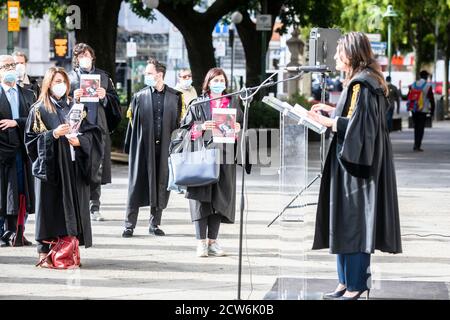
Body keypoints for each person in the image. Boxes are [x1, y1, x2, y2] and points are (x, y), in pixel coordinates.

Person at [307, 32, 402, 300]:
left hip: (359, 163)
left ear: (351, 54)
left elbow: (363, 127)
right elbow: (354, 116)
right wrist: (331, 111)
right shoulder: (362, 81)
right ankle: (345, 281)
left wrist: (330, 122)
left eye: (339, 52)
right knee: (343, 219)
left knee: (356, 223)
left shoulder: (364, 83)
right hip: (350, 160)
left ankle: (357, 283)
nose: (336, 57)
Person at [24, 67, 103, 267]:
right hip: (52, 169)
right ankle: (44, 252)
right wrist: (54, 135)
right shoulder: (39, 109)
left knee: (72, 209)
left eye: (63, 81)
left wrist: (81, 142)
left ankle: (69, 249)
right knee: (50, 208)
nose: (60, 85)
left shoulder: (75, 107)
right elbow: (31, 142)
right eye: (56, 81)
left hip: (73, 165)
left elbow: (91, 133)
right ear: (48, 84)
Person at [170, 68, 244, 257]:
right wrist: (201, 127)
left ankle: (213, 241)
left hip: (225, 156)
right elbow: (183, 130)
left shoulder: (233, 101)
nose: (219, 83)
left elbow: (243, 126)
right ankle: (201, 242)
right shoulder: (198, 104)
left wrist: (238, 128)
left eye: (222, 80)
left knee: (220, 199)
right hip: (201, 156)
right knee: (200, 199)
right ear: (208, 83)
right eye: (215, 80)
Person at [122, 59, 182, 238]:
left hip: (165, 148)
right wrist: (130, 149)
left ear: (160, 75)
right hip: (143, 147)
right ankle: (129, 225)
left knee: (161, 185)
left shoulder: (175, 97)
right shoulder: (139, 97)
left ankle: (155, 224)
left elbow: (179, 124)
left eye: (149, 73)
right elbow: (132, 126)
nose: (146, 76)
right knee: (136, 186)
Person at [69, 43, 121, 221]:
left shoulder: (104, 77)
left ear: (92, 56)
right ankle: (78, 204)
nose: (84, 58)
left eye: (86, 55)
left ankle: (94, 206)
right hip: (78, 127)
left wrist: (105, 96)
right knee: (78, 164)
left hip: (98, 127)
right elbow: (58, 101)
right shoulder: (70, 78)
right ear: (76, 59)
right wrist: (71, 98)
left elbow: (115, 102)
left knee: (96, 165)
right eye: (80, 56)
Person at [0, 55, 36, 248]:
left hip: (22, 151)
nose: (11, 69)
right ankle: (2, 232)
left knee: (21, 192)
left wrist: (17, 122)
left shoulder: (27, 94)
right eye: (6, 66)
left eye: (13, 65)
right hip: (2, 152)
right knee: (3, 193)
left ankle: (17, 232)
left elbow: (34, 120)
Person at [407, 70, 435, 152]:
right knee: (421, 128)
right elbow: (431, 99)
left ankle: (415, 144)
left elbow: (409, 96)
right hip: (423, 109)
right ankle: (418, 145)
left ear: (419, 76)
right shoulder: (428, 86)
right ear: (426, 76)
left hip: (414, 109)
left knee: (416, 127)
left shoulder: (413, 84)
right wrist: (432, 110)